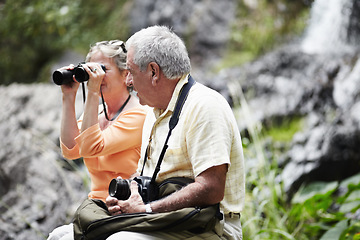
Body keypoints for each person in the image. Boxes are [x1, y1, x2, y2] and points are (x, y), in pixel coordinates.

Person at [105, 26, 245, 239]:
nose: (128, 82)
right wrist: (131, 195)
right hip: (162, 219)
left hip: (210, 226)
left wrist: (147, 210)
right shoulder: (153, 111)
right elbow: (144, 173)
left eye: (131, 72)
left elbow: (211, 188)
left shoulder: (205, 106)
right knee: (62, 235)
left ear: (153, 71)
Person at [47, 40, 148, 240]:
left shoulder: (138, 115)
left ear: (126, 74)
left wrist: (92, 92)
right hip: (96, 209)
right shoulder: (98, 114)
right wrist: (69, 96)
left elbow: (92, 147)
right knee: (55, 236)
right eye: (91, 70)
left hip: (125, 210)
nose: (96, 75)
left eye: (102, 69)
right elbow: (70, 150)